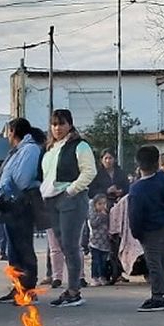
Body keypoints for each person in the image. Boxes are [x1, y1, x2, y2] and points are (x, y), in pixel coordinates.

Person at [38, 109, 97, 307]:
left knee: (71, 246)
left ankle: (74, 290)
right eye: (54, 124)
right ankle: (70, 288)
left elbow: (89, 172)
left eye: (62, 124)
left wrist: (71, 191)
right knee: (63, 246)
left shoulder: (79, 146)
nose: (57, 128)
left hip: (71, 198)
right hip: (51, 200)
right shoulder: (51, 148)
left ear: (70, 124)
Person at [0, 118, 44, 303]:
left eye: (8, 131)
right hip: (11, 205)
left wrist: (5, 186)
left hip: (22, 204)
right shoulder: (18, 151)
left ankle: (29, 290)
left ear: (13, 130)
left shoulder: (29, 149)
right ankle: (18, 288)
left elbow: (22, 179)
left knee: (23, 248)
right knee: (13, 248)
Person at [128, 145, 164, 313]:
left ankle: (157, 297)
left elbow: (135, 216)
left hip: (149, 229)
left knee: (153, 261)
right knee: (161, 258)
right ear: (157, 162)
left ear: (138, 164)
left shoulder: (136, 189)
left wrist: (136, 233)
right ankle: (162, 290)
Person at [87, 195, 113, 286]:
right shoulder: (94, 214)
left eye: (104, 204)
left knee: (104, 261)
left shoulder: (108, 214)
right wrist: (101, 215)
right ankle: (95, 277)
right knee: (96, 260)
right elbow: (93, 224)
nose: (102, 206)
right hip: (95, 241)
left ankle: (103, 276)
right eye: (99, 204)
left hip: (105, 242)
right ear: (94, 205)